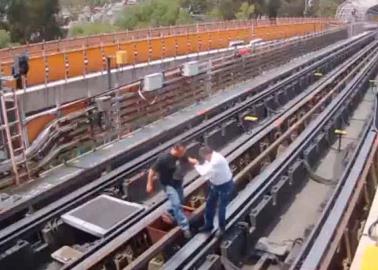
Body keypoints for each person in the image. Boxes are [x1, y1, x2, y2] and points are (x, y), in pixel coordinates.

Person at [146, 143, 192, 238]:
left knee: (180, 200)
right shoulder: (164, 159)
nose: (183, 154)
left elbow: (186, 159)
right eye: (182, 152)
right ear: (177, 150)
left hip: (177, 182)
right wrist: (149, 183)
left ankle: (168, 211)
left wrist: (193, 161)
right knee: (176, 203)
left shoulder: (180, 155)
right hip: (168, 184)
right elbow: (152, 170)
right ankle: (185, 227)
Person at [191, 146, 234, 236]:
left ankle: (222, 228)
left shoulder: (216, 161)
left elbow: (205, 173)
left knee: (221, 208)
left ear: (207, 154)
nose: (204, 158)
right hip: (215, 185)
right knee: (209, 205)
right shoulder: (211, 158)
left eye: (204, 156)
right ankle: (209, 225)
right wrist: (199, 164)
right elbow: (206, 166)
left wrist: (196, 164)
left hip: (224, 186)